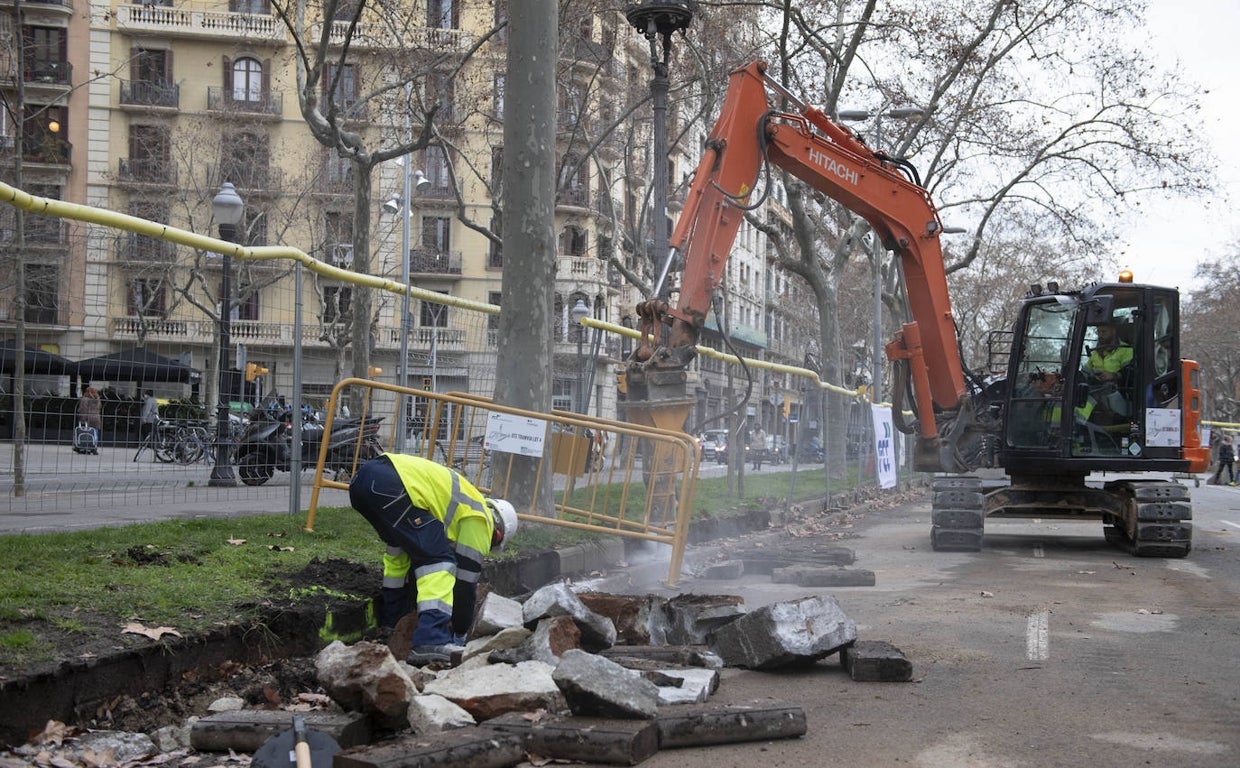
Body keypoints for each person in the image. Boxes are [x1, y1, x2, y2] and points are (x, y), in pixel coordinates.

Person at [348, 453, 518, 664]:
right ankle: (431, 639)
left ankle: (392, 624)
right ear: (498, 534)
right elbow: (465, 585)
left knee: (399, 553)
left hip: (362, 482)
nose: (485, 548)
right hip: (392, 486)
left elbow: (401, 566)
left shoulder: (460, 502)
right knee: (439, 561)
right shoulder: (481, 519)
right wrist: (460, 633)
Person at [76, 386, 102, 454]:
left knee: (86, 432)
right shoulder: (97, 399)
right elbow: (99, 408)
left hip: (88, 418)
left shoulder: (85, 399)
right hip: (96, 418)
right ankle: (94, 447)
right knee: (95, 433)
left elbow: (83, 409)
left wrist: (82, 420)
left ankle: (85, 446)